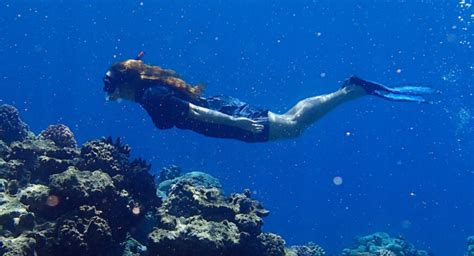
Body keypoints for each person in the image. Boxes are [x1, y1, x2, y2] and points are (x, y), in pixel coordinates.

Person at [103, 56, 436, 143]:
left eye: (110, 87)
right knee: (292, 121)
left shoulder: (151, 95)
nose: (110, 94)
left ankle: (354, 91)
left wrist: (237, 122)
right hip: (225, 112)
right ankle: (350, 89)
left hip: (227, 116)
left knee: (293, 126)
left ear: (124, 84)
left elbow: (193, 111)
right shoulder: (147, 94)